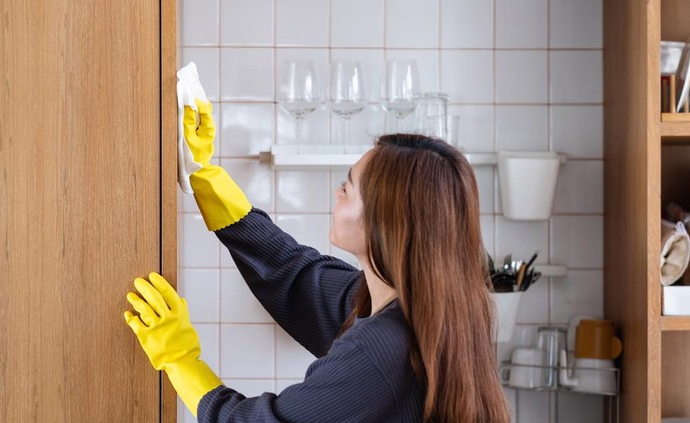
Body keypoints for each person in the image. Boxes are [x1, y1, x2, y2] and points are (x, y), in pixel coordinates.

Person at [124, 98, 510, 422]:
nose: (337, 192)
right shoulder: (411, 306)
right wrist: (205, 176)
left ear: (386, 223)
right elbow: (292, 272)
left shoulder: (381, 349)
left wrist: (180, 359)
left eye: (348, 187)